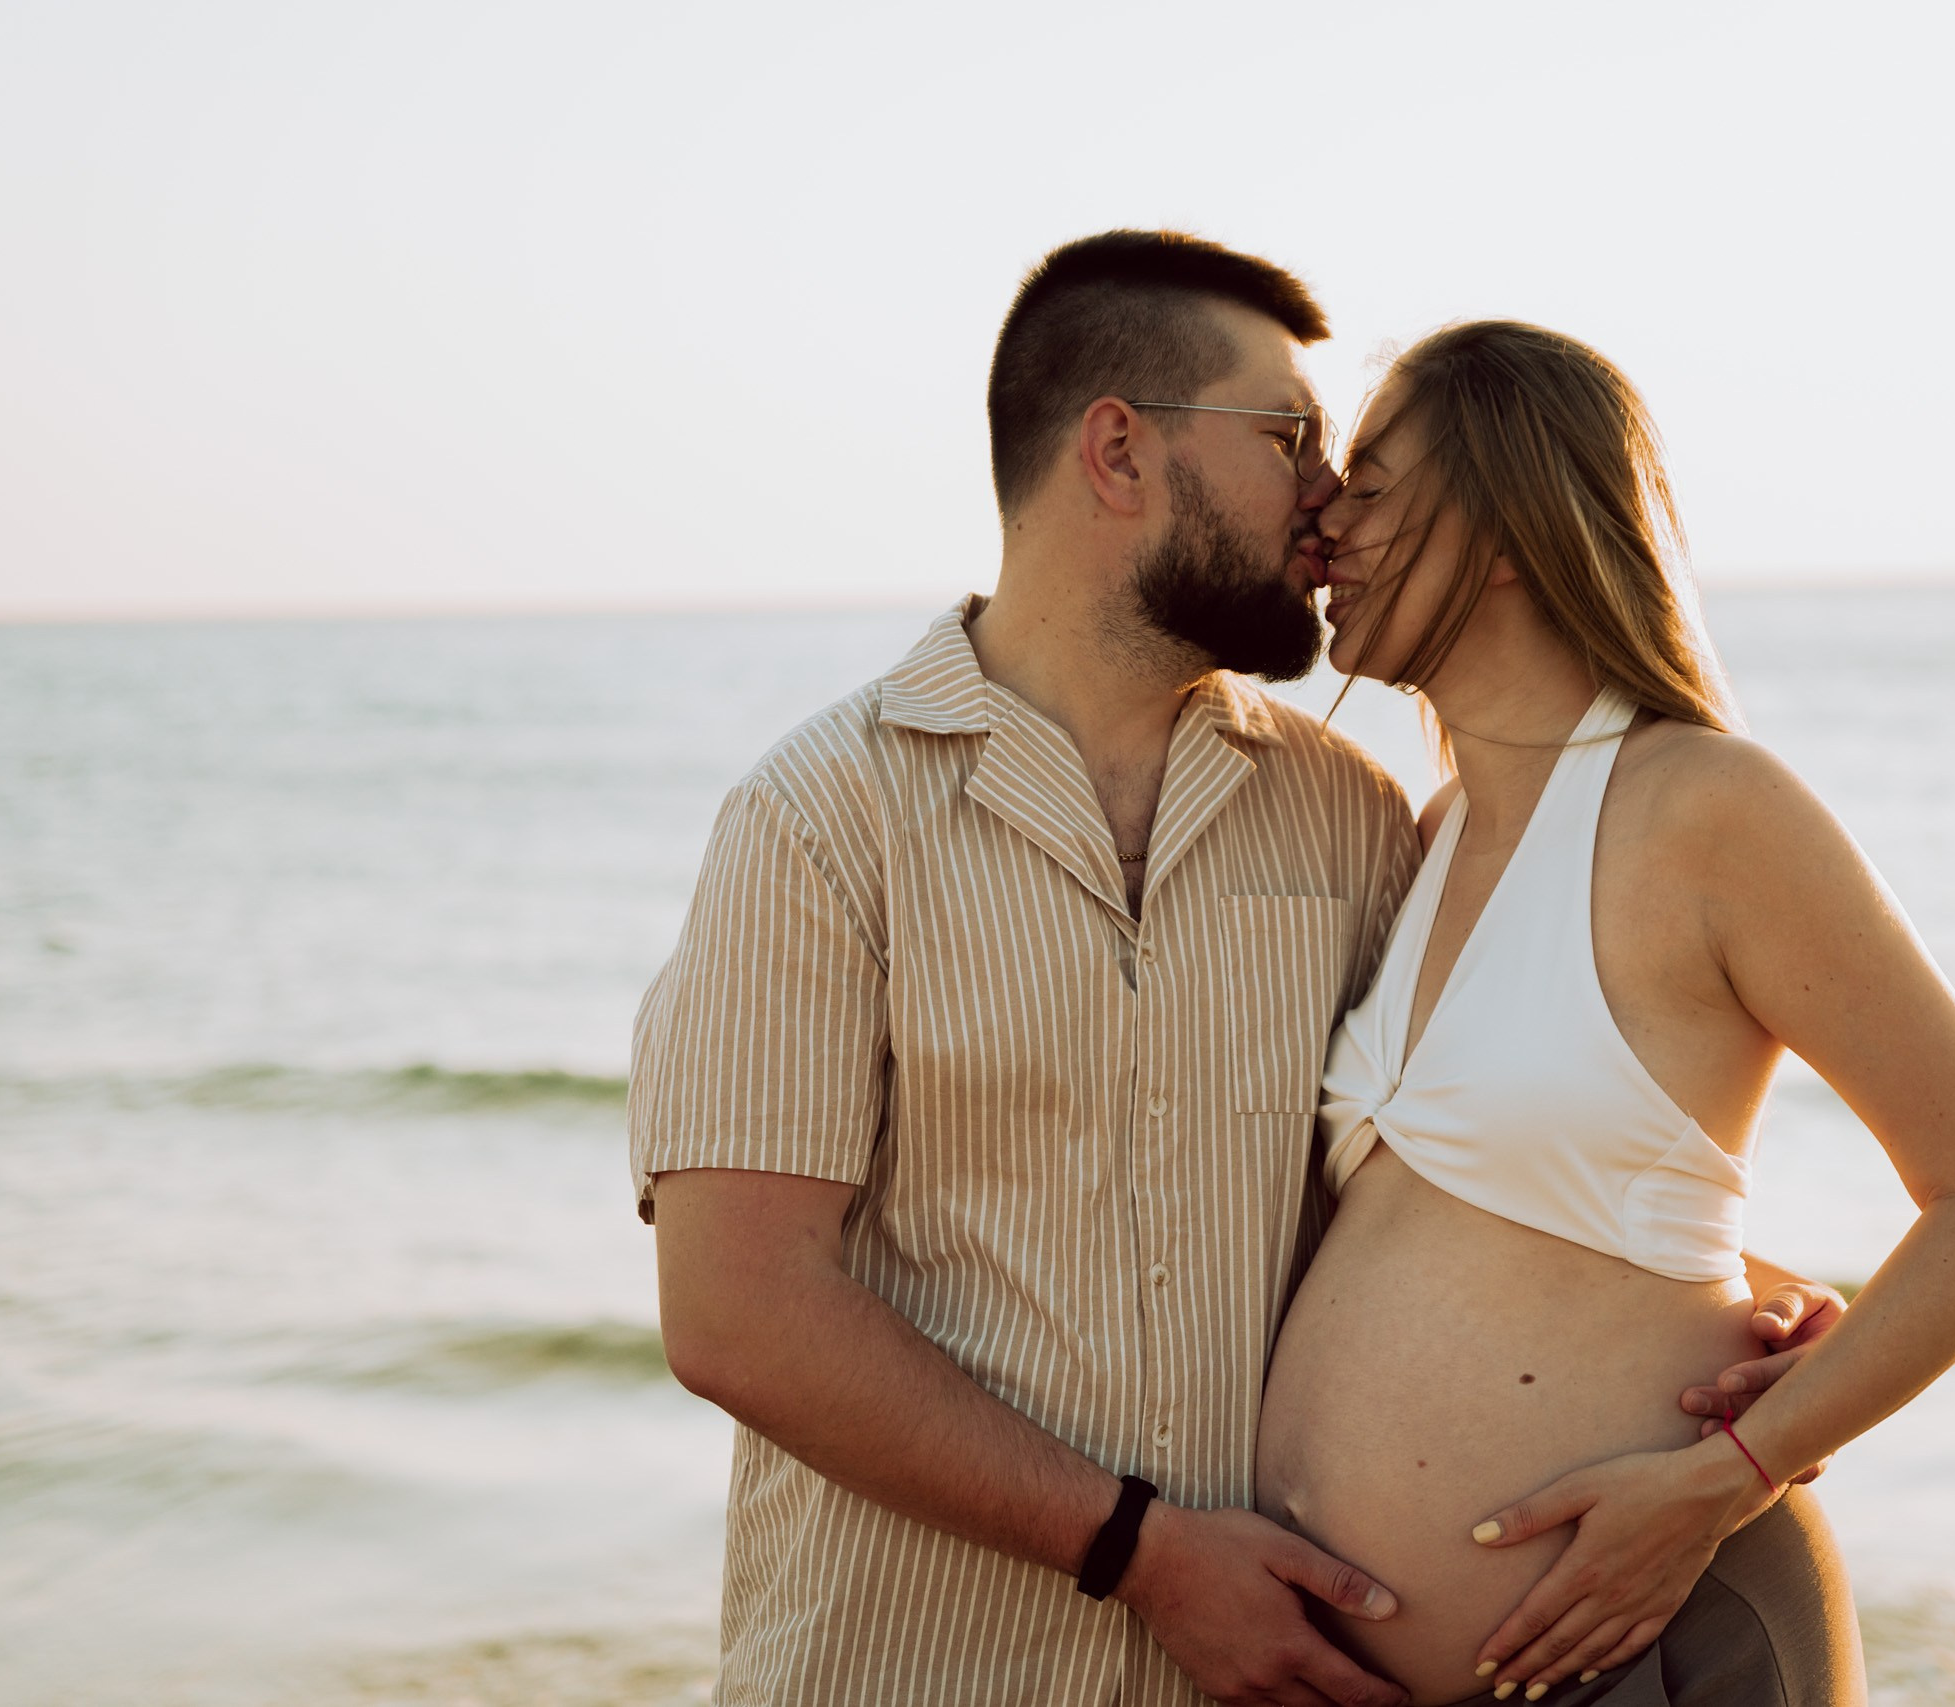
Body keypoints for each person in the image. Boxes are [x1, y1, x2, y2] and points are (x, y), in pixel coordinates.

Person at [629, 233, 1843, 1707]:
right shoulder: (818, 822)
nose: (1327, 495)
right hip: (915, 1667)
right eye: (1288, 438)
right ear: (1121, 452)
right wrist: (1139, 1552)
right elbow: (741, 1314)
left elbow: (1441, 1184)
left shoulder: (1348, 816)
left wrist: (1737, 1321)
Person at [1257, 321, 1955, 1705]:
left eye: (1379, 484)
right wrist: (1754, 1290)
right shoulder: (1432, 832)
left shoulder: (1709, 807)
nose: (1329, 518)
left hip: (1660, 1646)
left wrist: (1725, 1480)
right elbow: (1567, 1204)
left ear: (1511, 528)